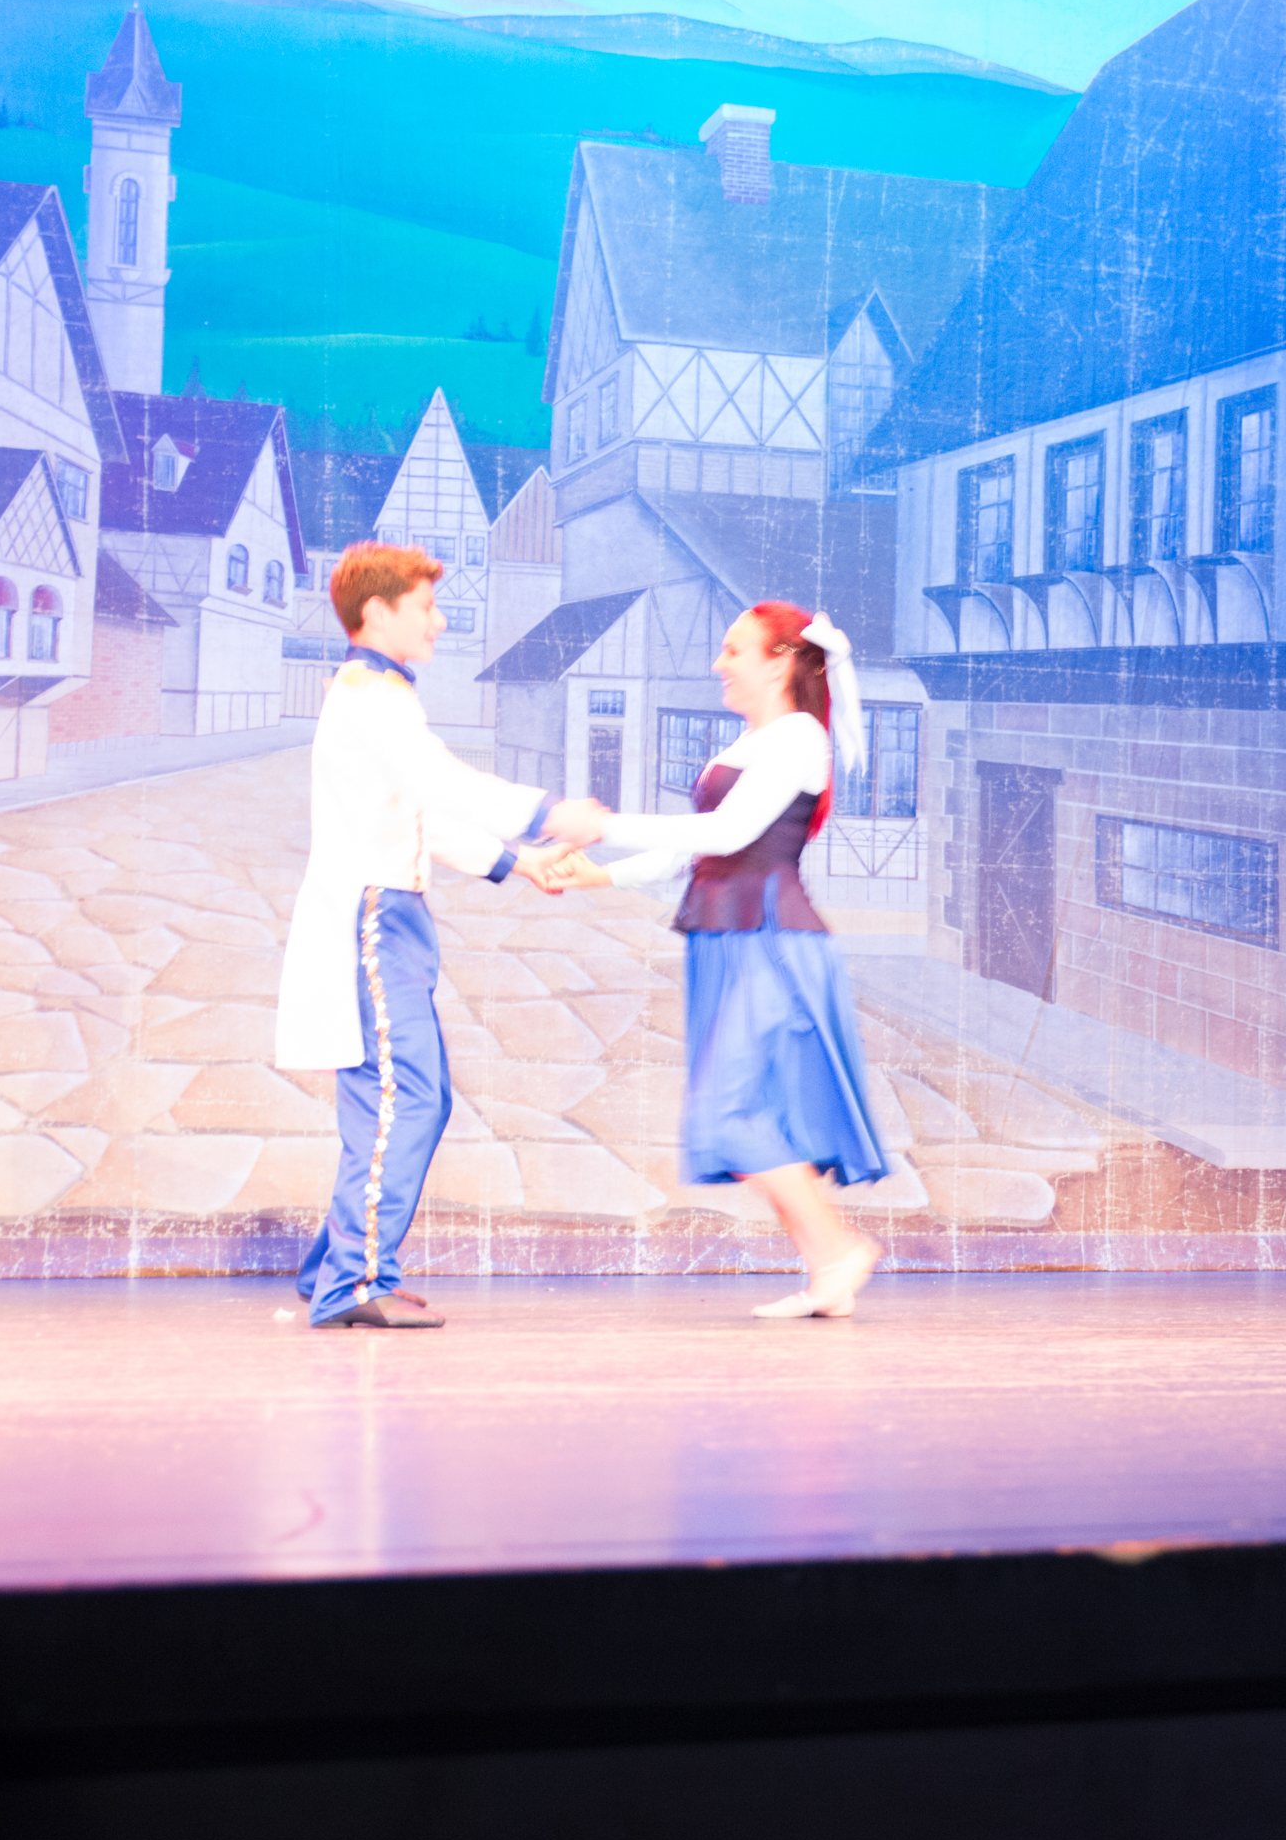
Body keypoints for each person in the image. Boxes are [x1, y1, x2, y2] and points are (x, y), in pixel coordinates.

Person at [275, 543, 609, 1330]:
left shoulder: (376, 694)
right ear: (378, 611)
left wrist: (518, 860)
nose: (440, 619)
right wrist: (550, 814)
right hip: (373, 913)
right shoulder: (372, 697)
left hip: (390, 911)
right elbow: (442, 781)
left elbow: (419, 808)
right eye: (426, 606)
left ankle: (338, 1266)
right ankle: (353, 1281)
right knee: (407, 1098)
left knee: (408, 1097)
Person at [532, 601, 892, 1319]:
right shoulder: (754, 741)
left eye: (733, 650)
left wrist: (602, 826)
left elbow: (729, 832)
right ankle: (829, 1266)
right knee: (750, 1114)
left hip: (768, 942)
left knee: (731, 1112)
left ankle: (839, 1249)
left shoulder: (798, 738)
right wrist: (598, 872)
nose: (717, 663)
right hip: (730, 939)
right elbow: (693, 850)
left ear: (780, 661)